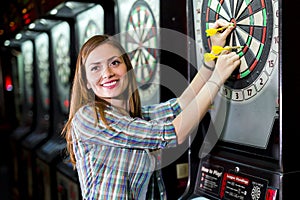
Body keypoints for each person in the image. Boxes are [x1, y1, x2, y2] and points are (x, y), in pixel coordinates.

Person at [61, 19, 240, 199]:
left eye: (114, 63)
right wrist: (217, 78)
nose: (107, 73)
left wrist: (213, 55)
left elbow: (182, 104)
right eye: (95, 68)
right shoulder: (89, 117)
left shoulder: (135, 118)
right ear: (86, 82)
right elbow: (175, 132)